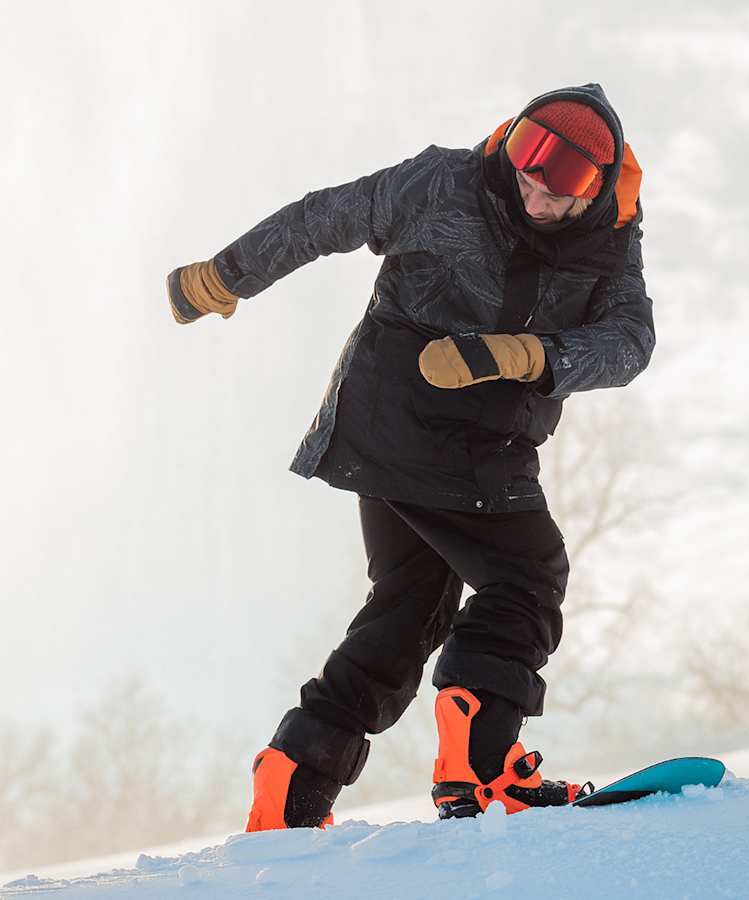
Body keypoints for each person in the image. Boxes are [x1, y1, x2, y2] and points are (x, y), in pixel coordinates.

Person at [165, 83, 652, 830]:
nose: (533, 191)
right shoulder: (445, 181)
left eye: (559, 186)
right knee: (527, 574)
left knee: (409, 610)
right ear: (511, 139)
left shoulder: (610, 241)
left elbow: (629, 343)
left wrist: (528, 356)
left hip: (424, 434)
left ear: (598, 188)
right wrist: (227, 274)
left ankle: (292, 785)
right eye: (526, 164)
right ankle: (485, 770)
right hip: (409, 412)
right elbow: (325, 216)